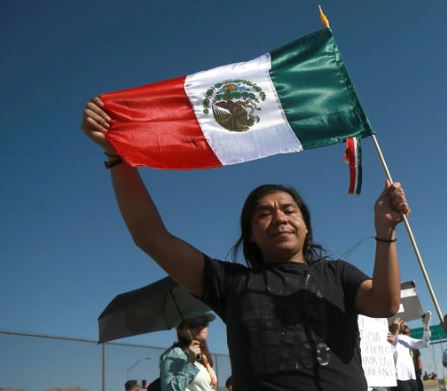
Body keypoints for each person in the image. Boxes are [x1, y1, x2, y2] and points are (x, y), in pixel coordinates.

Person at [81, 97, 409, 391]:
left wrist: (385, 232)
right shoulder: (231, 284)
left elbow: (384, 303)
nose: (280, 218)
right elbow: (149, 235)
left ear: (306, 226)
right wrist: (116, 155)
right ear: (250, 234)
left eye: (289, 210)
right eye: (264, 213)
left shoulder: (337, 274)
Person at [160, 311, 217, 391]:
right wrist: (190, 362)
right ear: (180, 331)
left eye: (204, 323)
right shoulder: (175, 354)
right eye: (194, 324)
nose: (201, 327)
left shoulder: (203, 357)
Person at [388, 315, 430, 391]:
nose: (402, 323)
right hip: (398, 378)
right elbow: (394, 341)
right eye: (400, 322)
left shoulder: (405, 338)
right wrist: (395, 329)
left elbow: (424, 343)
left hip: (412, 377)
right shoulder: (387, 336)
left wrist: (426, 327)